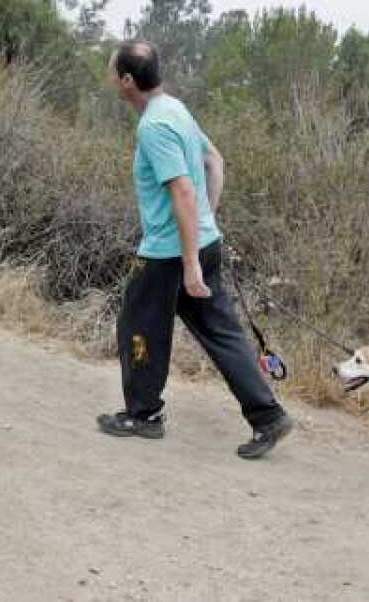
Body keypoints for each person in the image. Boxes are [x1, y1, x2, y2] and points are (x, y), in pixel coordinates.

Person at [96, 39, 294, 459]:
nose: (110, 77)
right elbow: (214, 161)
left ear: (127, 81)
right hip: (202, 241)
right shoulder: (175, 109)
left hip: (169, 254)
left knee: (139, 325)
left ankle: (143, 415)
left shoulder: (152, 126)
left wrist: (189, 263)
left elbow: (184, 190)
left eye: (112, 71)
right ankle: (268, 416)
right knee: (223, 333)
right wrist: (206, 223)